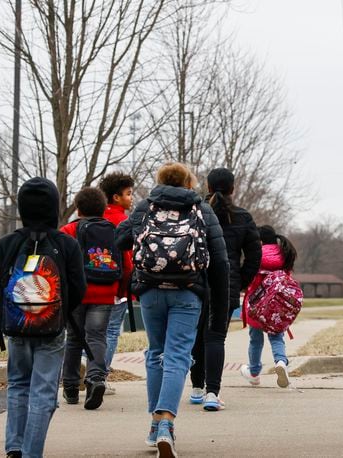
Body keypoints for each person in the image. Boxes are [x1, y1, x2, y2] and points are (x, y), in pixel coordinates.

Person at [116, 162, 229, 458]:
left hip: (151, 291)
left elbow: (120, 238)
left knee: (155, 353)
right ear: (189, 183)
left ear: (160, 181)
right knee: (178, 354)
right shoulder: (202, 209)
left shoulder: (145, 206)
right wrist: (219, 303)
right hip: (188, 292)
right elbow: (220, 259)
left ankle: (154, 426)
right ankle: (165, 422)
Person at [0, 178, 87, 458]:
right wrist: (58, 311)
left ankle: (14, 448)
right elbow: (78, 286)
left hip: (17, 329)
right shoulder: (66, 244)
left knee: (18, 384)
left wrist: (16, 312)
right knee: (43, 392)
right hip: (52, 329)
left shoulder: (8, 242)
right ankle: (32, 453)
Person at [189, 168, 261, 410]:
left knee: (196, 337)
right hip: (226, 283)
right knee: (216, 337)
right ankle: (212, 393)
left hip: (196, 282)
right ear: (233, 189)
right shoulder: (242, 217)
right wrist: (240, 281)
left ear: (208, 187)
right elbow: (254, 257)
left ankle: (197, 387)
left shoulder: (196, 213)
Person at [59, 187, 122, 410]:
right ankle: (96, 378)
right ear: (103, 209)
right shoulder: (113, 230)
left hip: (76, 294)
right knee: (97, 337)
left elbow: (59, 264)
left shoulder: (68, 230)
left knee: (74, 339)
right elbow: (126, 261)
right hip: (105, 291)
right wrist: (121, 290)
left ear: (78, 208)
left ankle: (71, 388)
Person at [240, 225, 297, 389]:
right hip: (276, 306)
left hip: (257, 305)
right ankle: (280, 362)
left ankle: (254, 372)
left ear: (260, 240)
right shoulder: (284, 256)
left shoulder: (257, 255)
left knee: (255, 340)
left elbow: (248, 278)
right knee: (277, 337)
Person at [98, 171, 135, 395]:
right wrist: (129, 285)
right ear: (116, 197)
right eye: (128, 194)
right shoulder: (123, 221)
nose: (131, 198)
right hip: (117, 284)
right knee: (111, 330)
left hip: (94, 283)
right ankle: (100, 377)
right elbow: (128, 257)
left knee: (94, 330)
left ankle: (86, 364)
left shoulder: (96, 216)